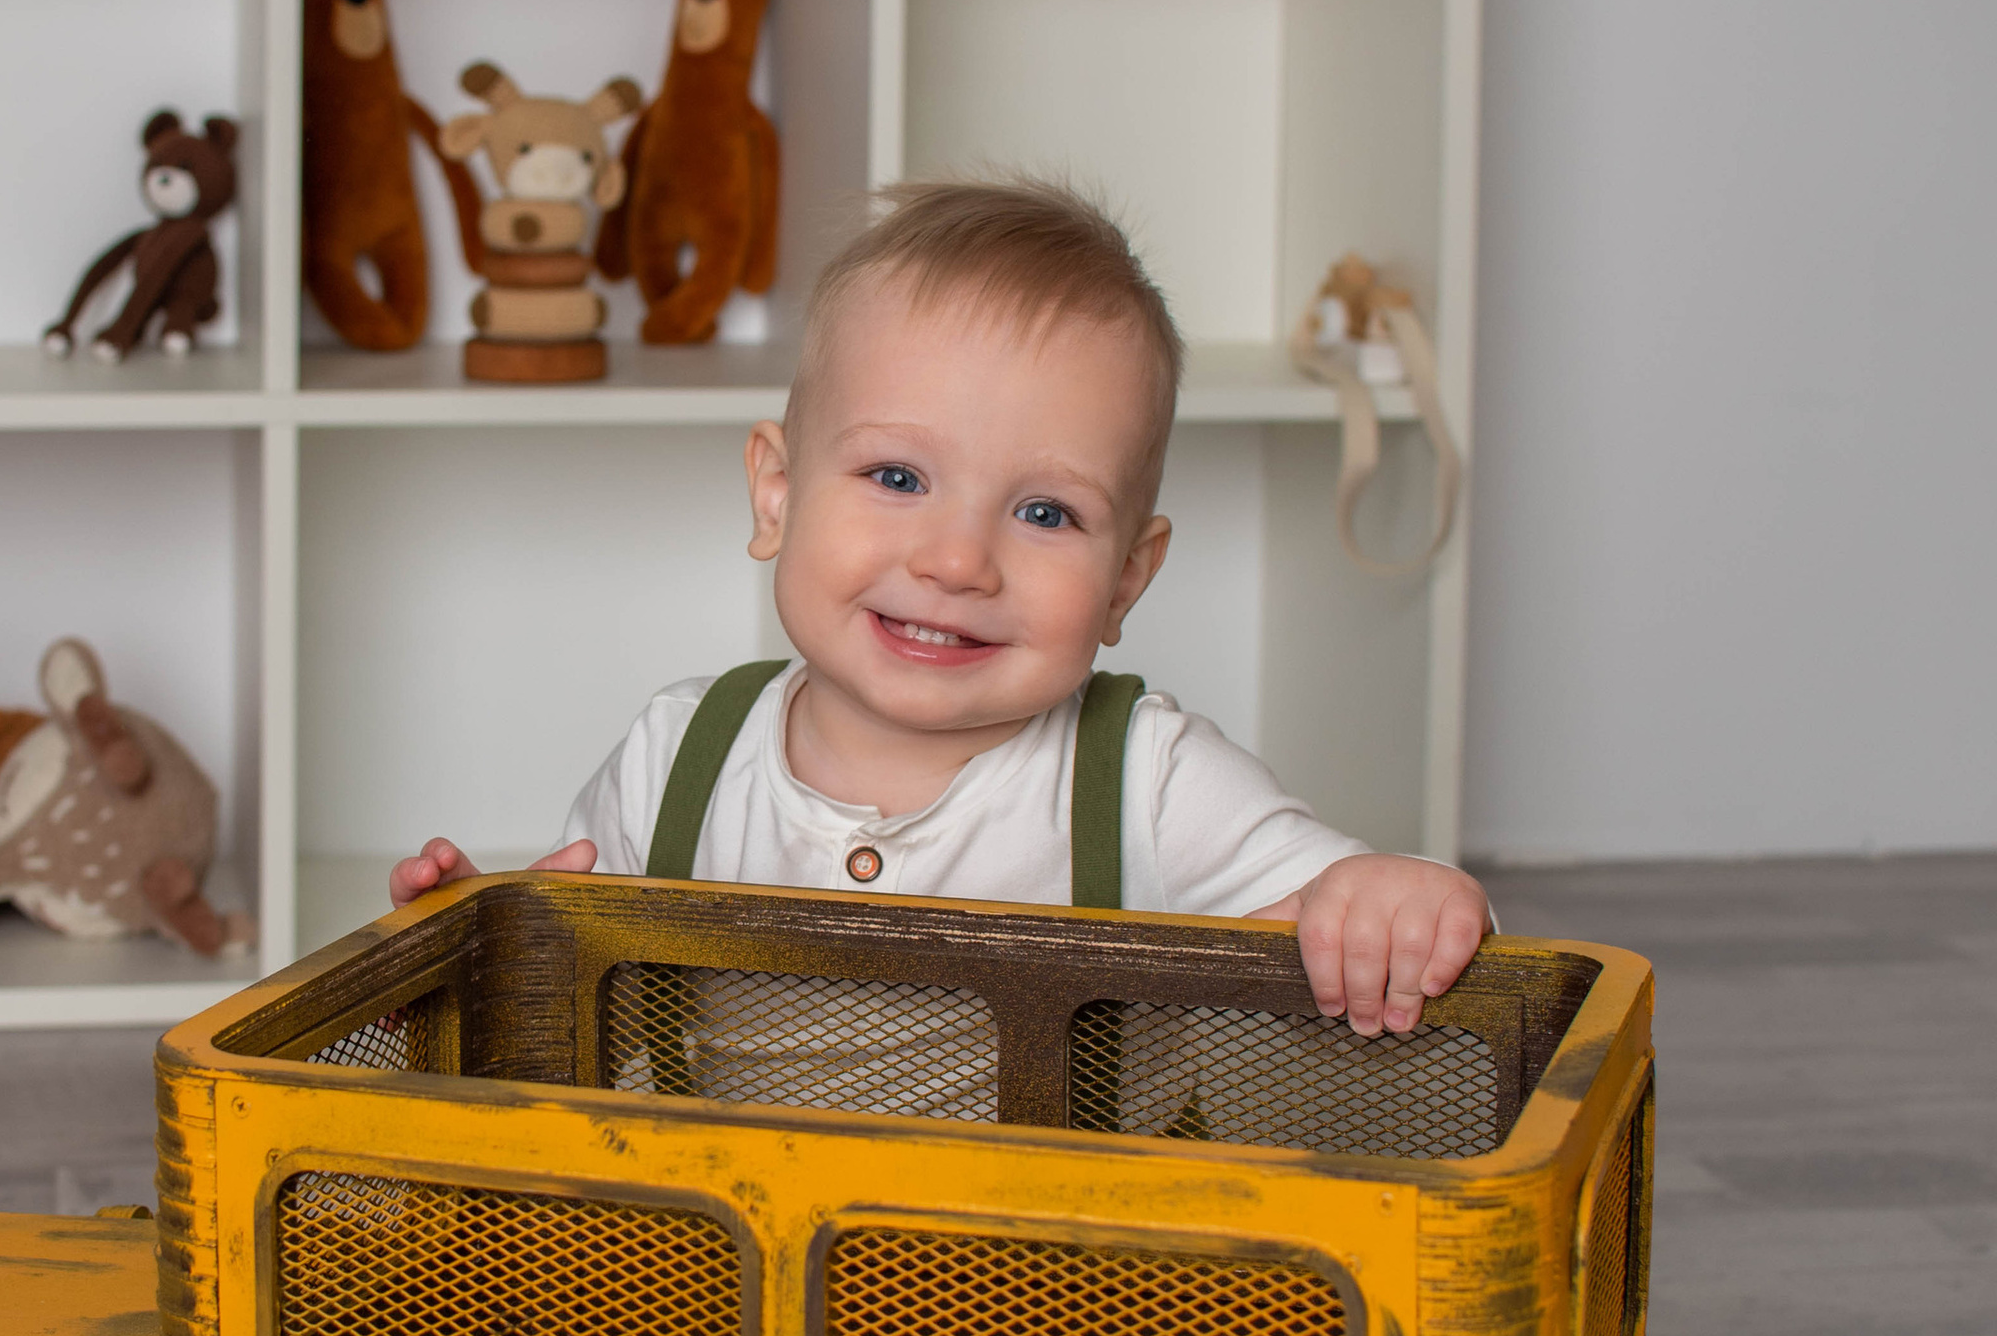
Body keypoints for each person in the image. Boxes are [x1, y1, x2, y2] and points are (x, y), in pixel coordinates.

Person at [389, 177, 1486, 1037]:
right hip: (741, 1270)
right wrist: (469, 945)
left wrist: (1403, 900)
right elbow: (564, 982)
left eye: (1046, 513)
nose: (958, 560)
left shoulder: (1145, 783)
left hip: (1063, 1286)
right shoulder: (679, 757)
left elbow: (1380, 922)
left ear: (1126, 581)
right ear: (776, 493)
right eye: (898, 479)